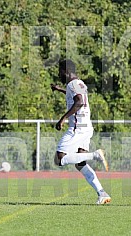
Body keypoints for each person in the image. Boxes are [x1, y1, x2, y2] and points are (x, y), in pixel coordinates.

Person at [51, 59, 111, 205]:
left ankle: (95, 155)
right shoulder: (79, 83)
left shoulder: (72, 84)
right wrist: (60, 90)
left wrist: (63, 118)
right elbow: (77, 97)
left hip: (78, 128)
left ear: (65, 71)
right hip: (86, 127)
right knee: (80, 163)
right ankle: (102, 193)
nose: (59, 74)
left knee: (59, 159)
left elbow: (79, 102)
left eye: (60, 71)